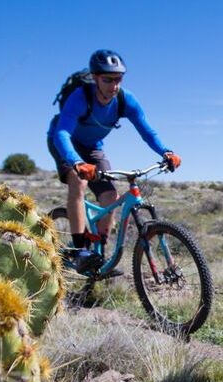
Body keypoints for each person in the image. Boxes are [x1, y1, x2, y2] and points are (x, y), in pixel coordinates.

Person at [47, 49, 182, 271]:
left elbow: (147, 131)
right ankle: (80, 250)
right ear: (95, 78)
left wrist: (166, 152)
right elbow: (62, 133)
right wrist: (76, 162)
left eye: (118, 79)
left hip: (92, 147)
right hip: (65, 144)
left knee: (110, 195)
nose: (113, 85)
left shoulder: (125, 100)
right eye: (107, 80)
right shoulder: (80, 98)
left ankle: (98, 252)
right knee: (78, 182)